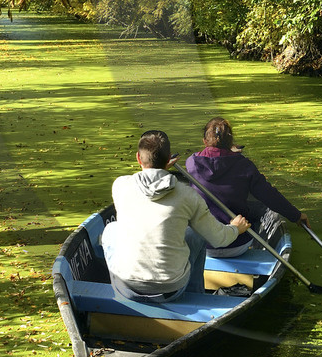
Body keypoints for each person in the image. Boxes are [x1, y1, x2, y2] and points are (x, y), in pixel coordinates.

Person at [102, 129, 249, 302]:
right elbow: (218, 239)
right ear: (168, 157)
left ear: (138, 158)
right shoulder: (188, 196)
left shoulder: (120, 186)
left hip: (125, 287)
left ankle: (112, 281)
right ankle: (196, 296)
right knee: (195, 234)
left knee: (111, 229)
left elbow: (149, 186)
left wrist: (161, 167)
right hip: (170, 290)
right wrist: (235, 229)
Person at [184, 117, 309, 258]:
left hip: (203, 245)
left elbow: (211, 158)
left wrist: (227, 153)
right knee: (256, 211)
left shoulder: (191, 163)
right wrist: (296, 215)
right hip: (236, 245)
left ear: (204, 141)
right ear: (231, 142)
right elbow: (269, 195)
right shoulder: (245, 165)